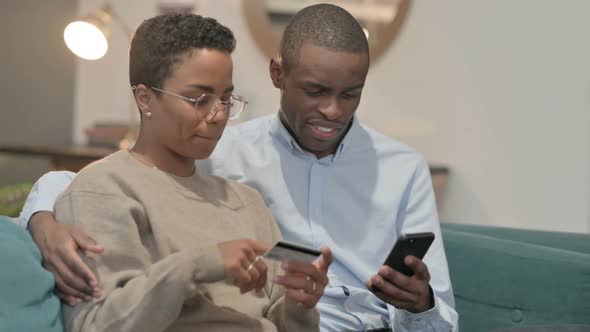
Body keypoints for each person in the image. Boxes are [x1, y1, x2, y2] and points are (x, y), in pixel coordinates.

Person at [19, 4, 458, 332]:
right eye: (315, 90)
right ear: (277, 75)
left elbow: (279, 311)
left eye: (350, 94)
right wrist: (41, 219)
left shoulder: (399, 170)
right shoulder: (222, 149)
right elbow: (102, 184)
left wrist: (416, 305)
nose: (332, 110)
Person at [27, 13, 332, 332]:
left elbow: (284, 322)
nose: (218, 115)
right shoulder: (106, 188)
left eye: (226, 98)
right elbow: (99, 325)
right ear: (145, 98)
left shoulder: (247, 201)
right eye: (198, 99)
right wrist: (199, 265)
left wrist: (300, 304)